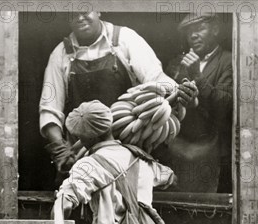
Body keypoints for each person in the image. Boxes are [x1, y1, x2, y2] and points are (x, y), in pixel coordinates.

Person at [40, 11, 198, 178]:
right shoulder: (61, 54)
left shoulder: (125, 39)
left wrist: (179, 91)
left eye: (85, 10)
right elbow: (50, 110)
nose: (80, 18)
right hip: (83, 152)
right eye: (72, 13)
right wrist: (60, 148)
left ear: (98, 10)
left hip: (128, 145)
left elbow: (155, 78)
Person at [161, 13, 233, 192]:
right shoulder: (176, 63)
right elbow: (163, 104)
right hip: (178, 147)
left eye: (200, 29)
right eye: (189, 32)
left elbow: (225, 104)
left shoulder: (228, 60)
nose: (193, 35)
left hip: (212, 149)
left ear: (215, 30)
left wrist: (197, 77)